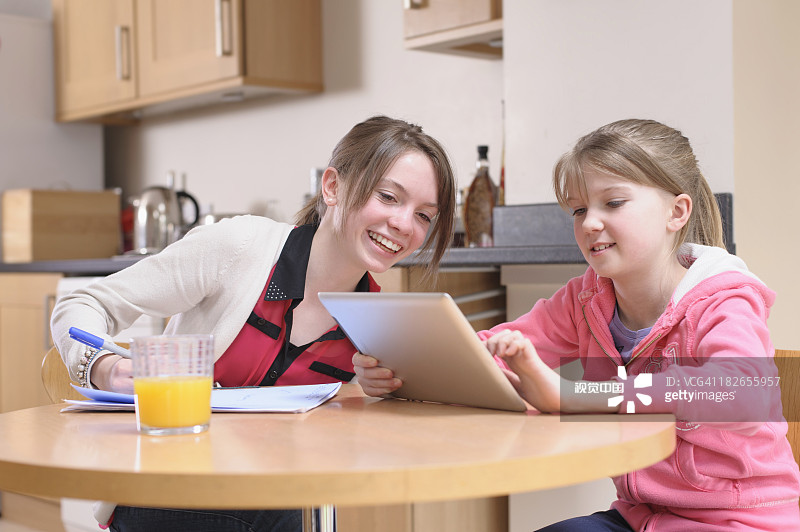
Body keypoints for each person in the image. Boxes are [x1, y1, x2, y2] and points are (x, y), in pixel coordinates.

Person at [354, 119, 800, 531]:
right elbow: (480, 353)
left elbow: (742, 392)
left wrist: (572, 394)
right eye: (577, 209)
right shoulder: (586, 299)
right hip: (641, 517)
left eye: (614, 202)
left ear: (677, 212)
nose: (590, 222)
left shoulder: (724, 298)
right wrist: (399, 369)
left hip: (739, 522)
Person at [50, 115, 456, 532]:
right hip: (168, 494)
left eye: (425, 216)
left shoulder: (377, 325)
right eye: (389, 197)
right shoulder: (239, 248)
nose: (405, 226)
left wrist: (379, 394)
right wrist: (103, 368)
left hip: (276, 504)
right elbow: (83, 302)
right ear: (332, 187)